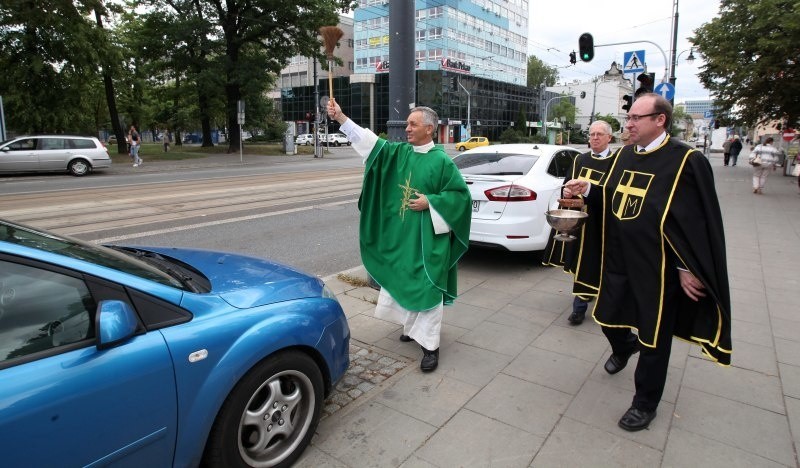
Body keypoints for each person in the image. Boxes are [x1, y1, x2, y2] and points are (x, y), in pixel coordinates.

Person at [563, 93, 731, 432]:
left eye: (637, 118)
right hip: (619, 259)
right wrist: (589, 189)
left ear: (660, 120)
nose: (629, 124)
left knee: (655, 337)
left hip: (660, 269)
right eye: (628, 118)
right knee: (607, 317)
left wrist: (688, 268)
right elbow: (613, 198)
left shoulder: (686, 160)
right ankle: (624, 345)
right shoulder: (624, 155)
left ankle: (645, 403)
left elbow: (696, 221)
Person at [326, 98, 471, 372]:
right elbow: (369, 143)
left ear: (429, 128)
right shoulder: (399, 154)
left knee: (427, 287)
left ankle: (430, 346)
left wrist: (432, 202)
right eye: (406, 123)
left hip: (428, 242)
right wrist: (342, 118)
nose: (407, 128)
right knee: (403, 279)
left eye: (412, 124)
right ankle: (411, 328)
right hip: (402, 239)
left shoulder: (442, 162)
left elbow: (460, 198)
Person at [542, 120, 619, 325]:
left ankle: (604, 302)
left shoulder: (617, 162)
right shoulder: (580, 160)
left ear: (609, 138)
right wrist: (566, 190)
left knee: (602, 263)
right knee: (583, 263)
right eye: (592, 134)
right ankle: (580, 307)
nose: (594, 138)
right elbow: (567, 185)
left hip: (604, 222)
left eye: (599, 134)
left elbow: (615, 193)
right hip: (581, 221)